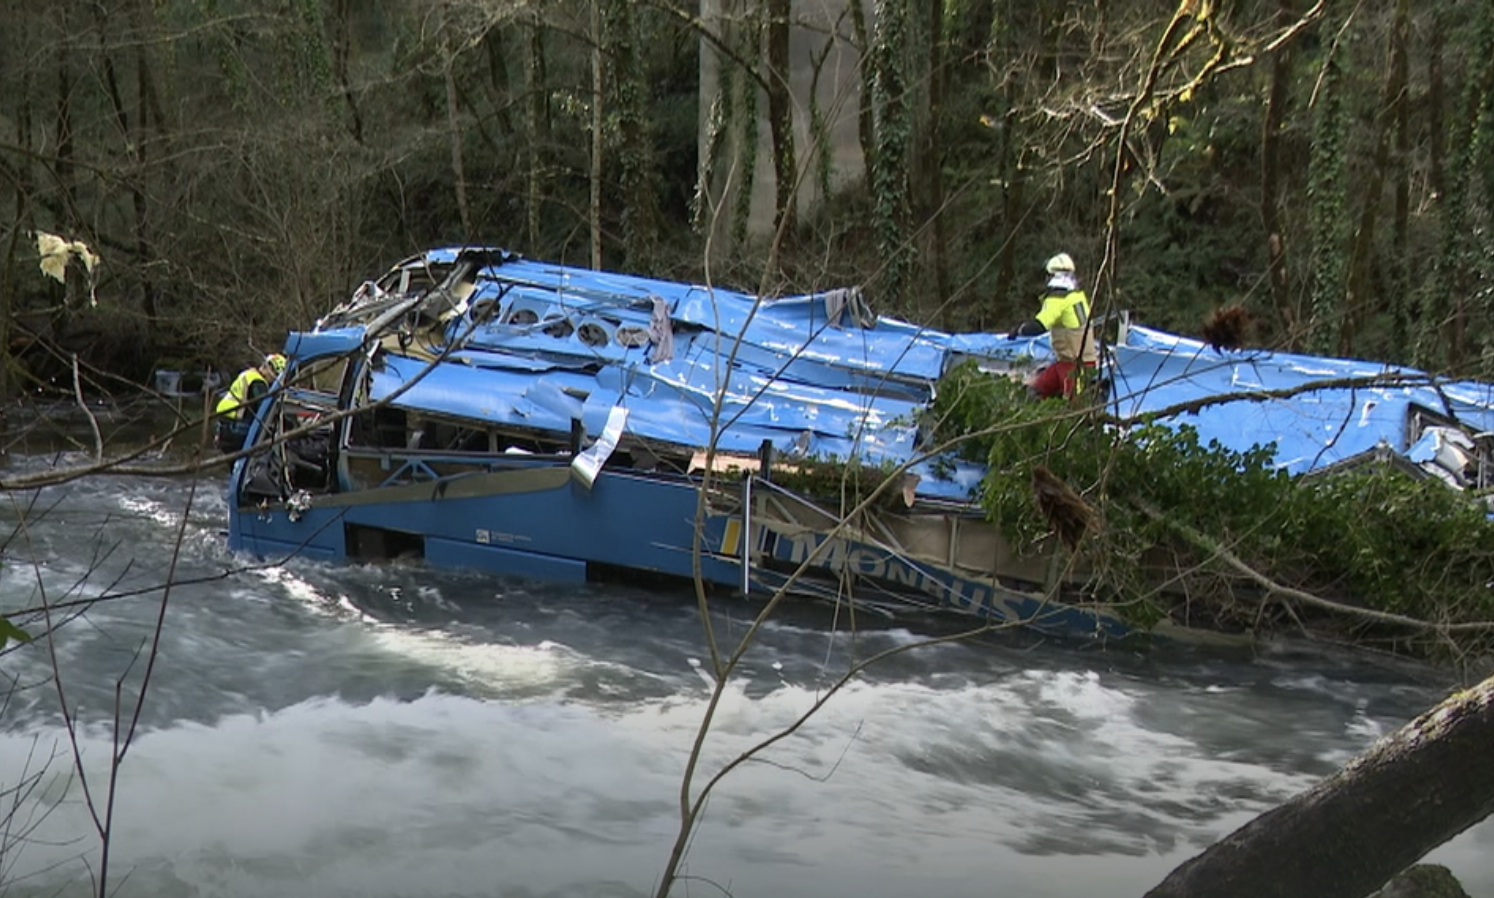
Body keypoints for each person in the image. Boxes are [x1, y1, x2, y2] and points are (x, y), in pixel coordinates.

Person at [1013, 253, 1097, 399]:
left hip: (1073, 367)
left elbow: (1039, 326)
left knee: (1073, 408)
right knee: (1035, 390)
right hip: (1078, 363)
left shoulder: (1058, 300)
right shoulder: (1077, 296)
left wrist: (1019, 330)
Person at [215, 353, 286, 452]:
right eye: (276, 375)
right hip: (237, 427)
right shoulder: (259, 383)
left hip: (224, 424)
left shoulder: (249, 374)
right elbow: (264, 409)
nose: (274, 380)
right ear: (269, 368)